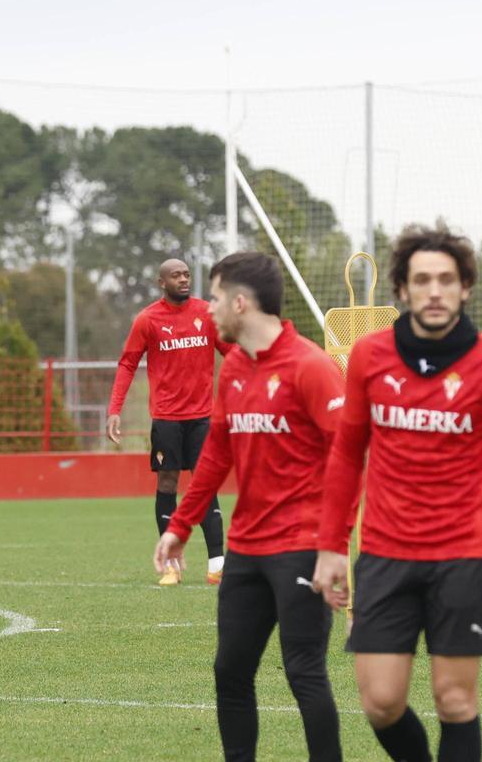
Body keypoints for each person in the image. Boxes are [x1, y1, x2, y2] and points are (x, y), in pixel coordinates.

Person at [312, 226, 482, 762]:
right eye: (422, 280)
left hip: (462, 556)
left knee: (455, 699)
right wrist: (331, 545)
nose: (435, 290)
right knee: (380, 701)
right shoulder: (369, 355)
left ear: (465, 288)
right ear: (402, 291)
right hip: (386, 554)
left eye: (447, 280)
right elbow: (345, 454)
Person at [154, 251, 345, 762]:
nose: (208, 307)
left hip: (302, 549)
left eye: (215, 297)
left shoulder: (310, 366)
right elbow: (217, 453)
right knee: (230, 671)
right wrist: (180, 526)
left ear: (241, 302)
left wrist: (334, 546)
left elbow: (348, 462)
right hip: (247, 551)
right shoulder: (235, 366)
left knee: (304, 670)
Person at [107, 257, 233, 585]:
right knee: (167, 483)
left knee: (205, 483)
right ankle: (171, 566)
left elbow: (231, 354)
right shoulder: (148, 320)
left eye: (186, 274)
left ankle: (217, 564)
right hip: (166, 419)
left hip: (203, 417)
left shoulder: (206, 313)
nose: (183, 279)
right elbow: (127, 364)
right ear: (161, 282)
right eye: (176, 275)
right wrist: (114, 410)